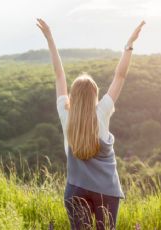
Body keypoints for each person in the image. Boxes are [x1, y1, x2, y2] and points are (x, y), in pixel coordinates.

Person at [36, 18, 145, 230]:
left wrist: (49, 38)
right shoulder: (102, 112)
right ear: (95, 95)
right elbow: (120, 76)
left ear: (73, 97)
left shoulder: (65, 113)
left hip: (75, 189)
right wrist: (129, 44)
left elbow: (59, 75)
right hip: (106, 190)